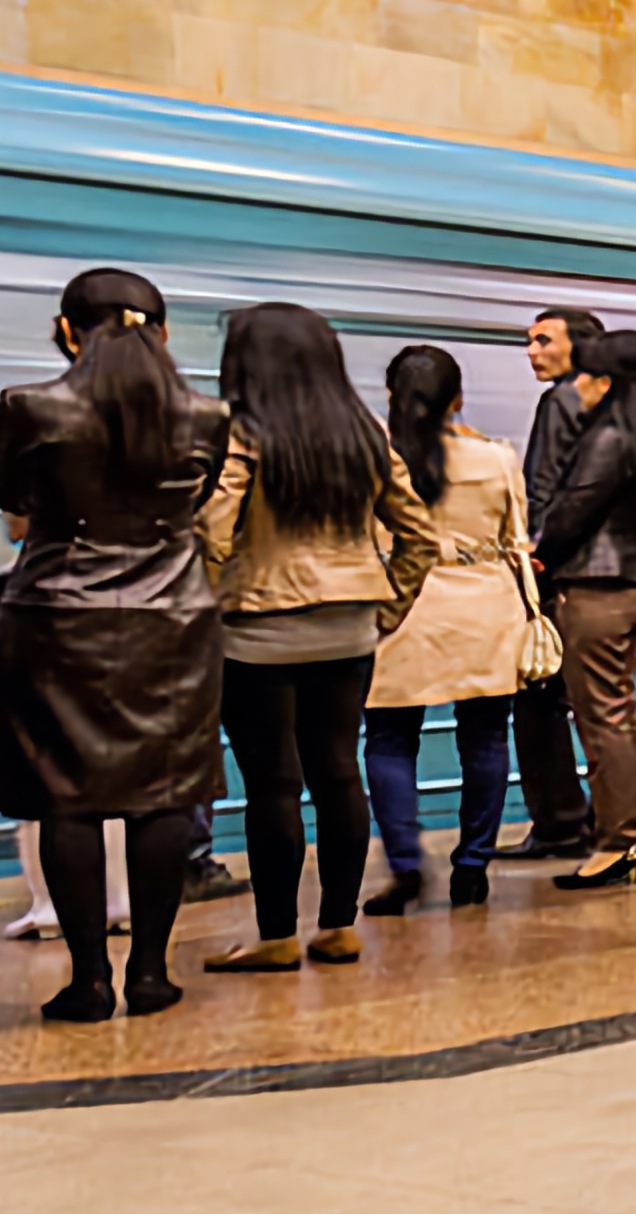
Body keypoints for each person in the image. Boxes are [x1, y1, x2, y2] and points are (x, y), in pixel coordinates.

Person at [0, 270, 232, 1022]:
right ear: (164, 333)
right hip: (173, 619)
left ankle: (87, 981)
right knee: (164, 794)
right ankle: (150, 973)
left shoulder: (30, 406)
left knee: (66, 801)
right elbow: (191, 505)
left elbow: (10, 500)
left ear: (68, 330)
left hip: (56, 618)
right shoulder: (208, 416)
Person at [191, 303, 437, 973]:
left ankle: (275, 938)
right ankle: (339, 928)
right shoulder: (364, 432)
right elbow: (421, 534)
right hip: (348, 629)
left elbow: (213, 530)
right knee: (337, 773)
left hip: (258, 634)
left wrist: (210, 602)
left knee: (273, 784)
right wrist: (386, 608)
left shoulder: (245, 433)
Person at [361, 345, 531, 912]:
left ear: (392, 396)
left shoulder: (376, 458)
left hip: (400, 606)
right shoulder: (496, 458)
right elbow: (517, 534)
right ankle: (472, 866)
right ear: (457, 399)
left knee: (388, 739)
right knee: (484, 738)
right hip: (483, 604)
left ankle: (406, 864)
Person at [530, 326, 636, 889]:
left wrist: (540, 554)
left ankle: (621, 842)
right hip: (630, 583)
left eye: (587, 376)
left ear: (607, 381)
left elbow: (574, 510)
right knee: (617, 716)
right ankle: (633, 833)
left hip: (597, 587)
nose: (580, 387)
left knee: (603, 720)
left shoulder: (609, 436)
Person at [493, 305, 602, 861]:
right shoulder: (615, 400)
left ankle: (560, 822)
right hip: (605, 573)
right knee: (602, 706)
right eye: (528, 341)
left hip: (560, 573)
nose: (531, 351)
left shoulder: (561, 399)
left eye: (543, 340)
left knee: (538, 700)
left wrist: (535, 551)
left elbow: (546, 487)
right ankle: (611, 821)